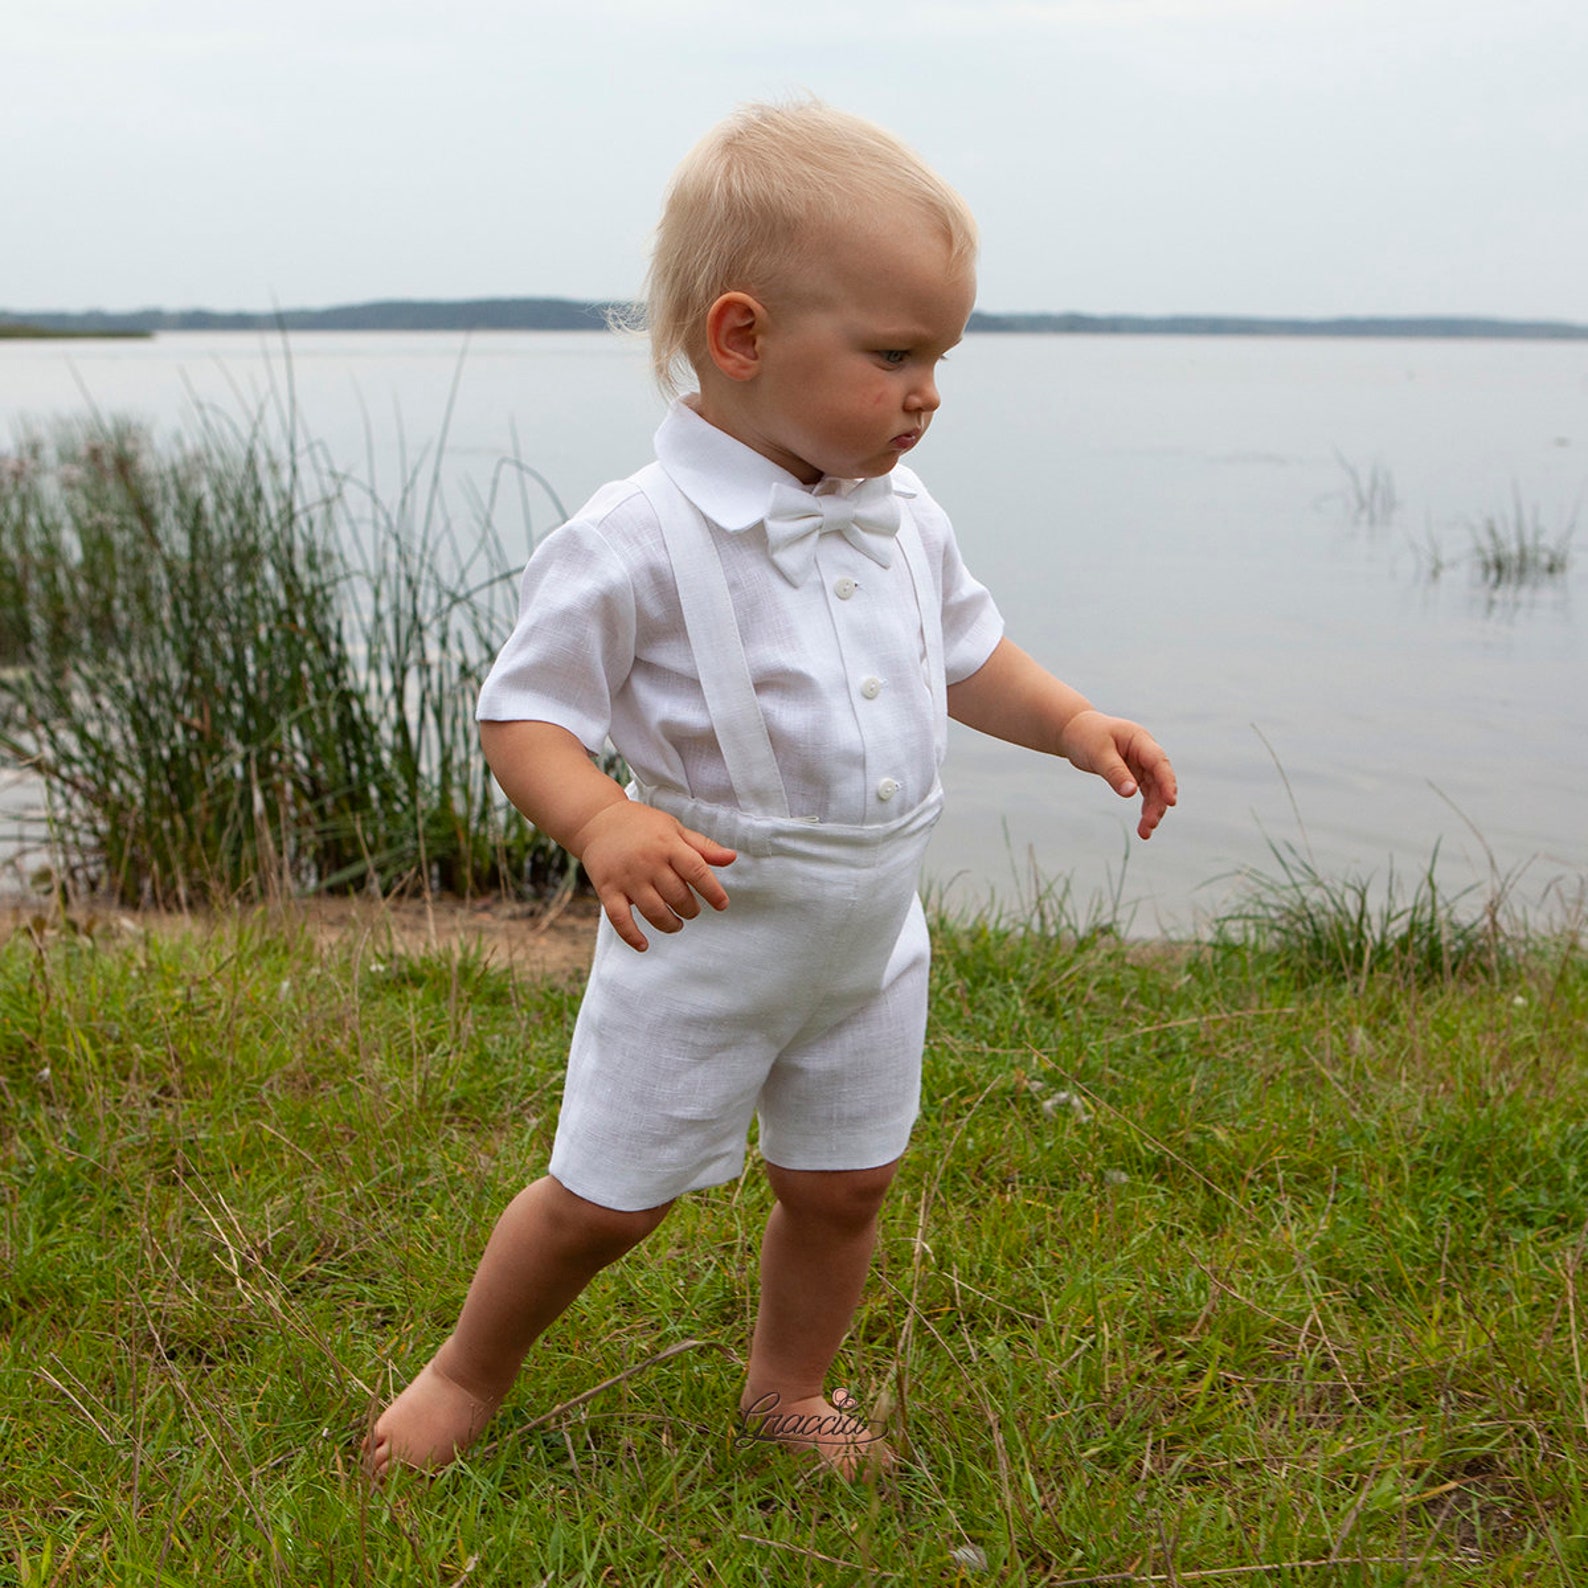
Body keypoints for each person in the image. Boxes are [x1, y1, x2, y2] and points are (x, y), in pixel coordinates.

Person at [366, 99, 1176, 1479]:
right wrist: (604, 818)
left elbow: (966, 657)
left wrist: (1073, 721)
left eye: (941, 357)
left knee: (845, 1183)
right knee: (606, 1202)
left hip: (867, 943)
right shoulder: (633, 538)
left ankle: (786, 1387)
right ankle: (464, 1372)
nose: (929, 391)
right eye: (895, 354)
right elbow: (525, 711)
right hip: (708, 935)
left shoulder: (900, 512)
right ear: (742, 338)